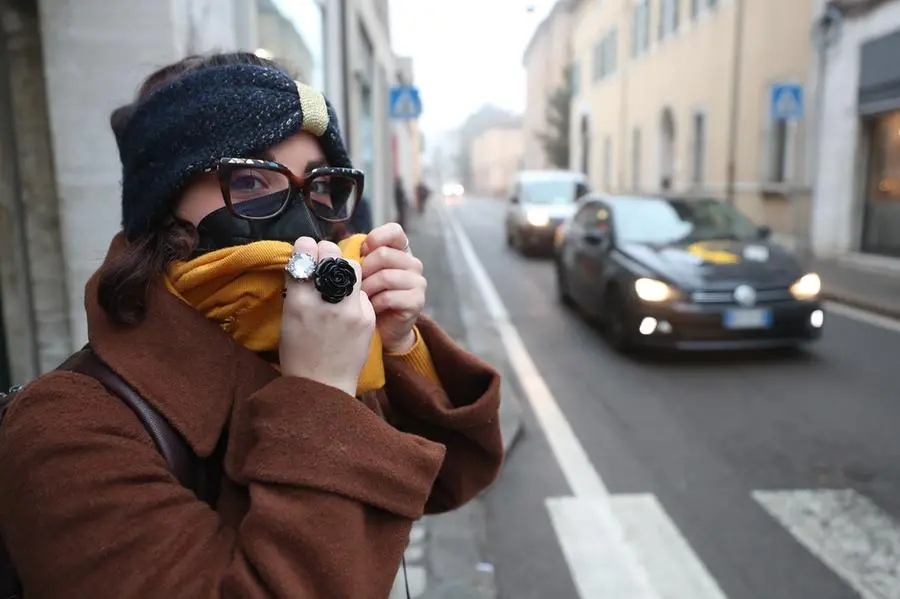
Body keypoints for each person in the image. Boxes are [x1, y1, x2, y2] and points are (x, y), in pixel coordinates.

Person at [0, 52, 502, 598]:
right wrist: (319, 397)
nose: (303, 222)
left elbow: (444, 480)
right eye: (250, 181)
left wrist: (399, 345)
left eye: (319, 186)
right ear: (164, 206)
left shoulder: (297, 336)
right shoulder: (66, 430)